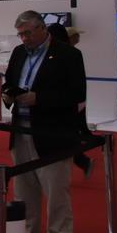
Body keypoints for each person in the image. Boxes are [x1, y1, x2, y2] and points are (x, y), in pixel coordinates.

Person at [2, 10, 86, 233]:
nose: (24, 38)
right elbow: (10, 80)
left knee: (55, 189)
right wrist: (8, 94)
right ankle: (27, 231)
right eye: (20, 34)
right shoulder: (19, 52)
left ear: (42, 28)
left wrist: (39, 99)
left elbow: (76, 94)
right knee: (24, 186)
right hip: (21, 129)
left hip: (52, 132)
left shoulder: (68, 54)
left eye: (28, 33)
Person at [47, 25, 93, 178]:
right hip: (68, 103)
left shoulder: (71, 54)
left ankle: (82, 160)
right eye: (76, 35)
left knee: (67, 134)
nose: (78, 38)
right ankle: (82, 159)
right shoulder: (69, 53)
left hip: (66, 104)